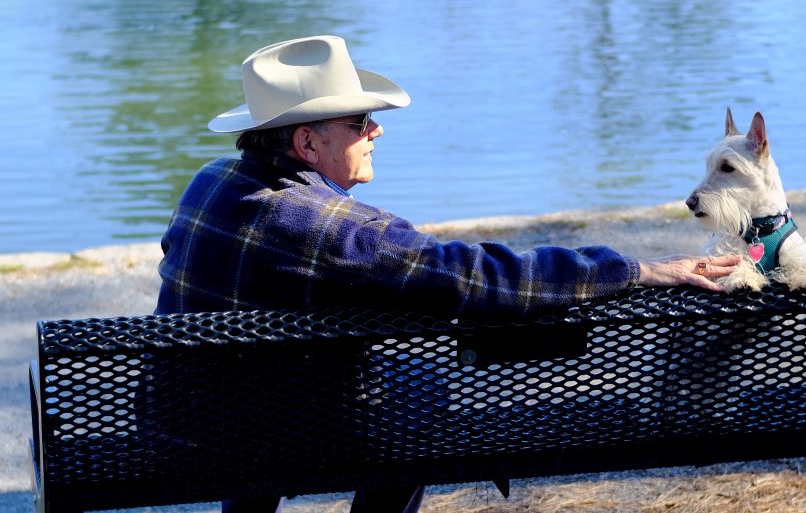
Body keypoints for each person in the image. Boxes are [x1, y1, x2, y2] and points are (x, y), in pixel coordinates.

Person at [156, 35, 741, 513]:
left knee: (292, 389)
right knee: (426, 394)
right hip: (272, 432)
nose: (376, 131)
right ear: (307, 142)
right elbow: (479, 278)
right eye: (360, 121)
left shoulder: (211, 181)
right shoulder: (330, 227)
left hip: (184, 417)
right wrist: (632, 268)